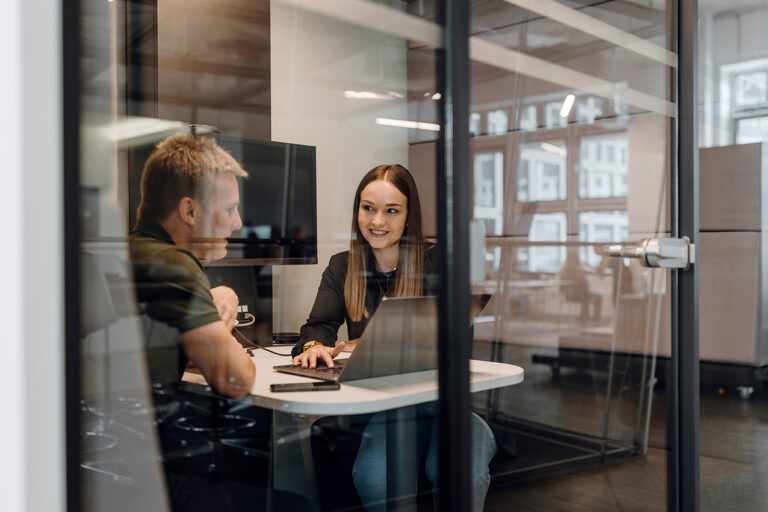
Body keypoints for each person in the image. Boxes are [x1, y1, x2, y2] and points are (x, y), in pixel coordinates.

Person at [291, 164, 497, 512]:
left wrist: (372, 345)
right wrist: (314, 347)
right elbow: (318, 326)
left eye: (391, 211)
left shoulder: (438, 264)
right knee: (376, 477)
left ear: (408, 216)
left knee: (460, 474)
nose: (377, 222)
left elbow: (459, 342)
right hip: (384, 407)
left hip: (443, 404)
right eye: (368, 208)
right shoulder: (342, 266)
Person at [129, 133, 255, 398]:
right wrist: (222, 330)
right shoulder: (173, 265)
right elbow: (237, 381)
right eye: (230, 209)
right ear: (190, 211)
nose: (238, 222)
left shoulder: (135, 253)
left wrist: (219, 298)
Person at [559, 247, 602, 324]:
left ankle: (585, 319)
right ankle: (595, 320)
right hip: (579, 295)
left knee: (585, 297)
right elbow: (584, 284)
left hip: (569, 295)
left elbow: (562, 287)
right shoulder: (579, 269)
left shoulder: (564, 270)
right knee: (593, 297)